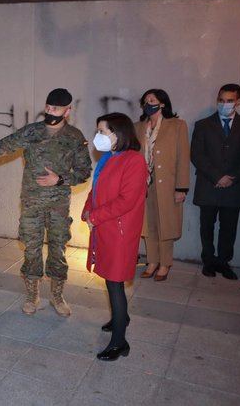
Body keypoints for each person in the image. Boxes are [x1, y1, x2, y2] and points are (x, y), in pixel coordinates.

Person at [0, 88, 91, 317]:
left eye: (57, 109)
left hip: (59, 204)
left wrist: (59, 179)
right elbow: (1, 147)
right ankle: (32, 297)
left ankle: (58, 297)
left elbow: (84, 171)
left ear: (68, 111)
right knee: (31, 249)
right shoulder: (32, 131)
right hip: (31, 202)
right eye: (49, 107)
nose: (51, 112)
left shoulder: (75, 137)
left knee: (58, 249)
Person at [82, 112, 147, 361]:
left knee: (114, 282)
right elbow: (96, 189)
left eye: (102, 132)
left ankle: (120, 342)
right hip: (106, 227)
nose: (97, 136)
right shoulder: (108, 158)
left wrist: (96, 216)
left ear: (118, 134)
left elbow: (126, 201)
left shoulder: (134, 161)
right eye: (97, 131)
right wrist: (88, 210)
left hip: (119, 231)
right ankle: (120, 318)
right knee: (110, 278)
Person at [191, 83, 240, 279]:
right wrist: (217, 177)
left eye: (230, 101)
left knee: (229, 228)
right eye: (221, 100)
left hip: (233, 188)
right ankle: (208, 261)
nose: (225, 104)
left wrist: (231, 179)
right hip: (208, 185)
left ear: (239, 101)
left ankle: (224, 262)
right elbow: (197, 156)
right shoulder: (202, 125)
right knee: (206, 226)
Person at [134, 89, 190, 282]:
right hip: (144, 185)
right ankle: (152, 261)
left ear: (163, 103)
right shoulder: (138, 126)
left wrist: (181, 188)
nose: (148, 103)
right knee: (148, 225)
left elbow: (183, 157)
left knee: (166, 224)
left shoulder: (177, 125)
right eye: (145, 101)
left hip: (168, 184)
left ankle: (165, 263)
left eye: (152, 100)